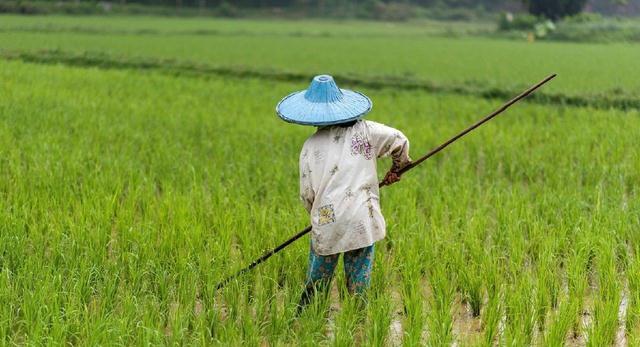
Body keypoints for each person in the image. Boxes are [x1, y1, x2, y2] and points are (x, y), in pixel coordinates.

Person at [276, 75, 411, 312]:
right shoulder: (367, 131)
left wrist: (317, 215)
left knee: (318, 276)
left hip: (328, 218)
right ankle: (357, 321)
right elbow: (399, 140)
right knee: (359, 281)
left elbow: (307, 193)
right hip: (362, 217)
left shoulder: (310, 146)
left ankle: (306, 316)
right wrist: (397, 169)